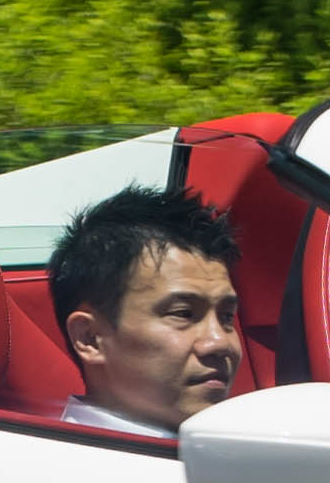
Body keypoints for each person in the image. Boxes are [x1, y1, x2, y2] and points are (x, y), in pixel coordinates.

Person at [46, 186, 243, 438]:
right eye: (183, 314)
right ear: (90, 338)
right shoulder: (70, 469)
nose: (220, 342)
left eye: (227, 317)